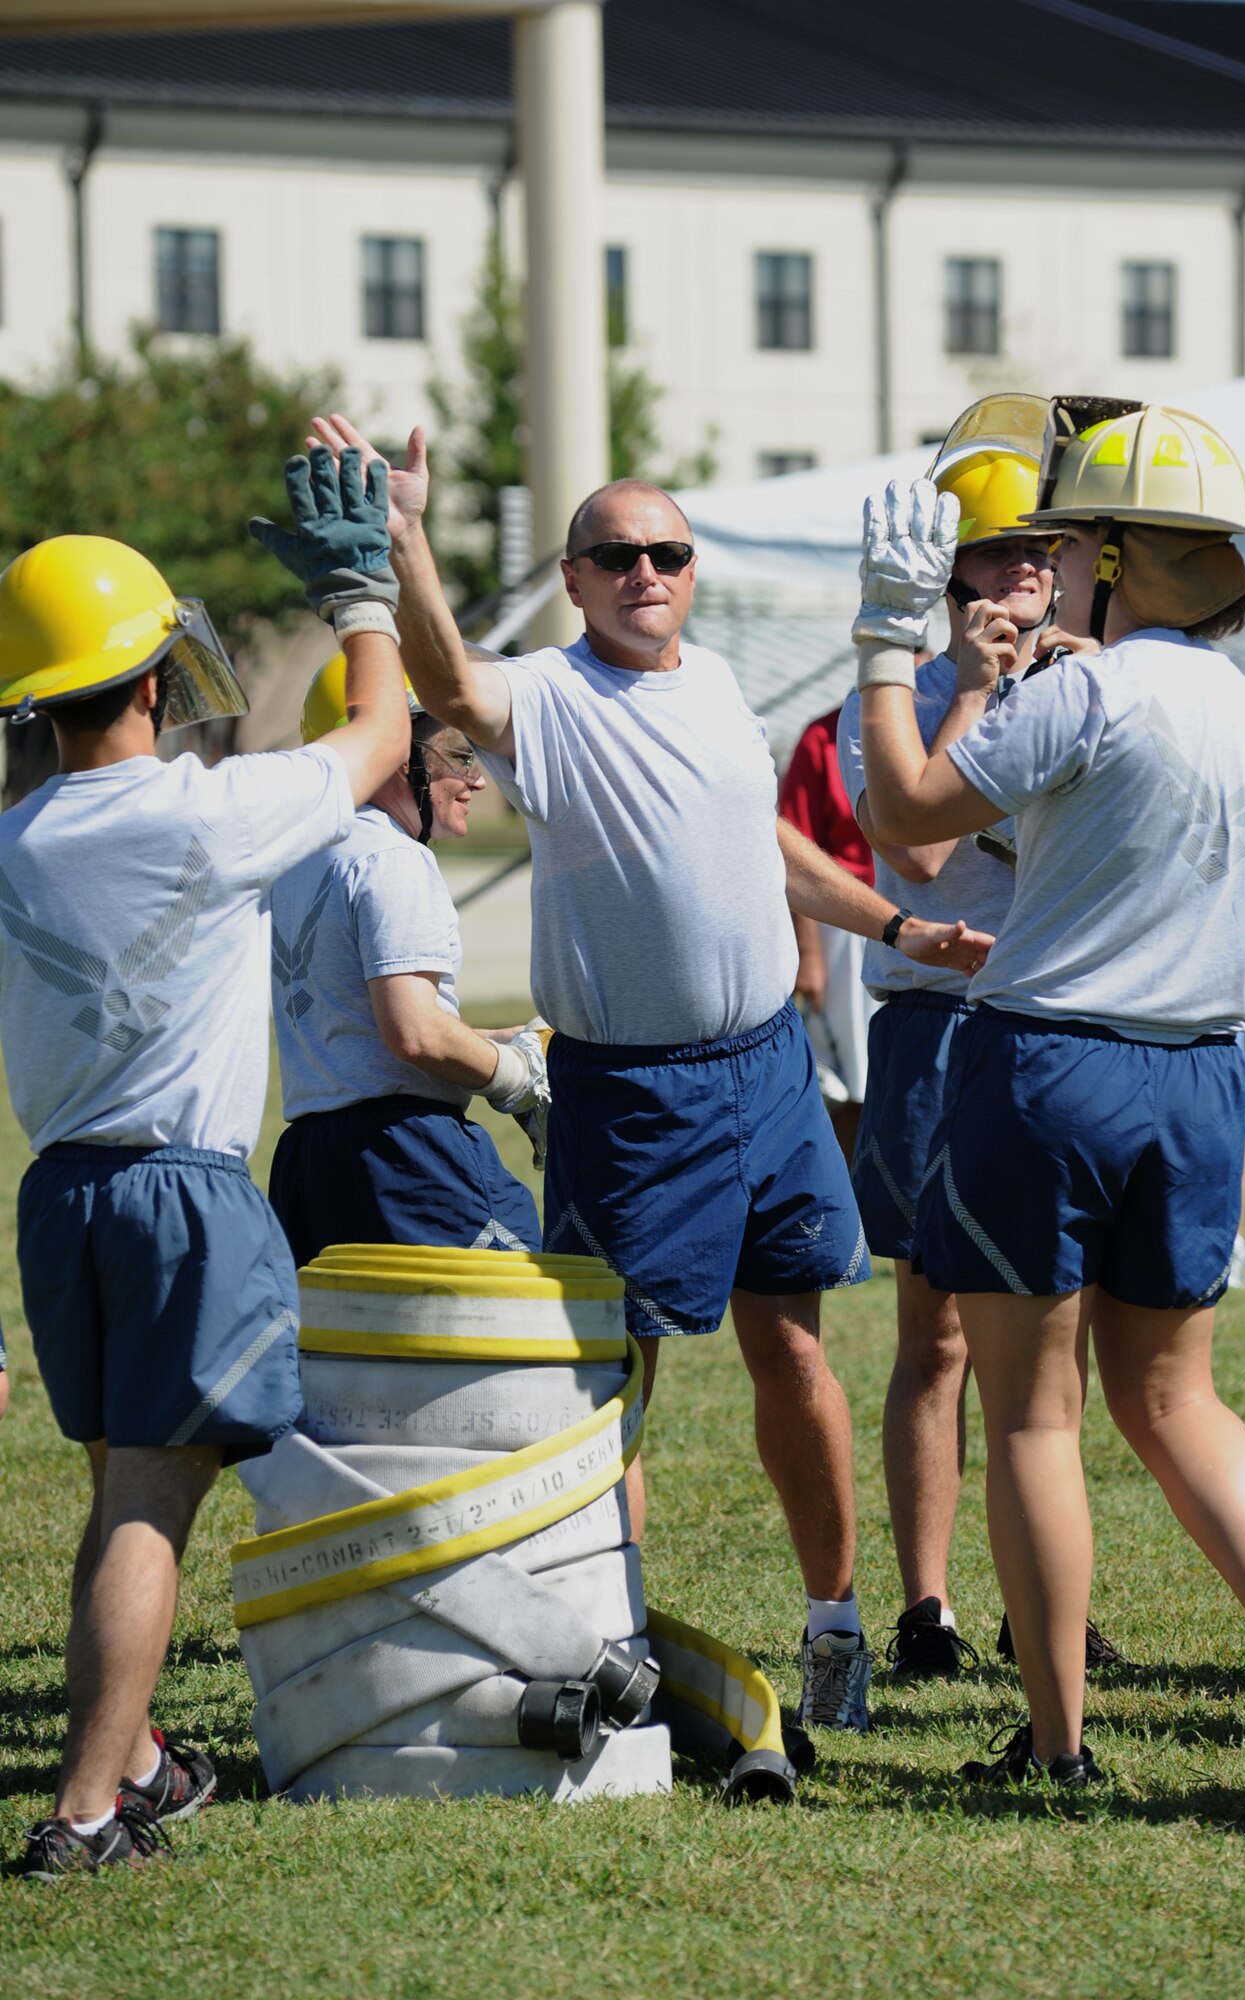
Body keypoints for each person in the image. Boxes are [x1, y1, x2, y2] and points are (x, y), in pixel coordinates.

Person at [304, 411, 992, 1735]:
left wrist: (893, 927)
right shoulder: (546, 700)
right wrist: (404, 543)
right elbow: (448, 685)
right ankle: (602, 1637)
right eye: (614, 556)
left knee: (793, 1347)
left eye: (665, 552)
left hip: (770, 1074)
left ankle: (834, 1629)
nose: (645, 574)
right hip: (635, 1097)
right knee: (615, 1379)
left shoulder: (720, 681)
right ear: (571, 579)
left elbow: (765, 848)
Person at [855, 400, 1245, 1795]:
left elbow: (900, 811)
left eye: (1073, 542)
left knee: (1032, 1414)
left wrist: (886, 639)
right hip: (1201, 1075)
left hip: (1048, 1064)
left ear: (1119, 558)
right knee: (1175, 1397)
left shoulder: (1081, 692)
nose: (1055, 566)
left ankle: (1059, 1745)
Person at [5, 447, 411, 1878]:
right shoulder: (203, 812)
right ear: (155, 683)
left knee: (121, 1486)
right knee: (148, 1507)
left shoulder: (11, 841)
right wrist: (364, 583)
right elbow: (378, 738)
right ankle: (87, 1813)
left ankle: (137, 1767)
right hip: (186, 1193)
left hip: (59, 1196)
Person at [841, 397, 1119, 1682]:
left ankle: (1037, 1603)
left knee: (1055, 1337)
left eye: (1042, 549)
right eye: (1001, 550)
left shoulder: (1094, 680)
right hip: (934, 1032)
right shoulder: (893, 690)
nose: (1025, 570)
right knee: (936, 1333)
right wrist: (971, 685)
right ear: (948, 568)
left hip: (1052, 1024)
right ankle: (927, 1605)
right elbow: (921, 847)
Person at [267, 652, 545, 1265]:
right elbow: (414, 1035)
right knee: (535, 1332)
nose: (477, 780)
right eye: (460, 753)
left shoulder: (298, 859)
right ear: (396, 748)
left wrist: (504, 1039)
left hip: (309, 1162)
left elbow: (361, 1027)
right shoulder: (392, 857)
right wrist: (518, 1080)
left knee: (354, 1356)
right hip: (407, 1155)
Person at [778, 706, 877, 1164]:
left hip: (928, 926)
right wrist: (808, 952)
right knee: (850, 1087)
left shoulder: (941, 718)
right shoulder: (825, 735)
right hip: (846, 932)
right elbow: (794, 847)